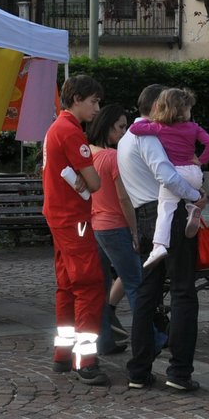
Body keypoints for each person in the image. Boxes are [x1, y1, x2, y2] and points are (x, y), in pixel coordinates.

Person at [118, 83, 206, 392]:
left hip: (145, 214)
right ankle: (179, 372)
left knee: (147, 293)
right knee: (183, 291)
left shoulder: (128, 137)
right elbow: (167, 176)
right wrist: (196, 194)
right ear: (160, 107)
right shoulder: (150, 137)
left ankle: (138, 370)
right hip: (168, 213)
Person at [42, 75, 108, 384]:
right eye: (93, 101)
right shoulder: (71, 132)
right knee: (89, 285)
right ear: (77, 99)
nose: (97, 108)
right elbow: (94, 182)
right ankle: (86, 360)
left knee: (67, 285)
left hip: (60, 216)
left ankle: (63, 355)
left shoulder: (57, 128)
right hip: (74, 218)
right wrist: (89, 177)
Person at [131, 88, 209, 268]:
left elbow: (134, 128)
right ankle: (192, 208)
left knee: (165, 209)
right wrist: (201, 161)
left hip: (176, 172)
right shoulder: (194, 128)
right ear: (184, 110)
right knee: (183, 197)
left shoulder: (159, 127)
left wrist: (155, 120)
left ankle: (159, 246)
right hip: (194, 173)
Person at [87, 105, 142, 356]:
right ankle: (151, 338)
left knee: (101, 287)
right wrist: (134, 230)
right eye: (120, 127)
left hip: (95, 225)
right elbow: (123, 199)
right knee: (135, 285)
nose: (124, 132)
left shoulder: (89, 154)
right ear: (107, 126)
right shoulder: (111, 157)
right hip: (115, 225)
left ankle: (104, 341)